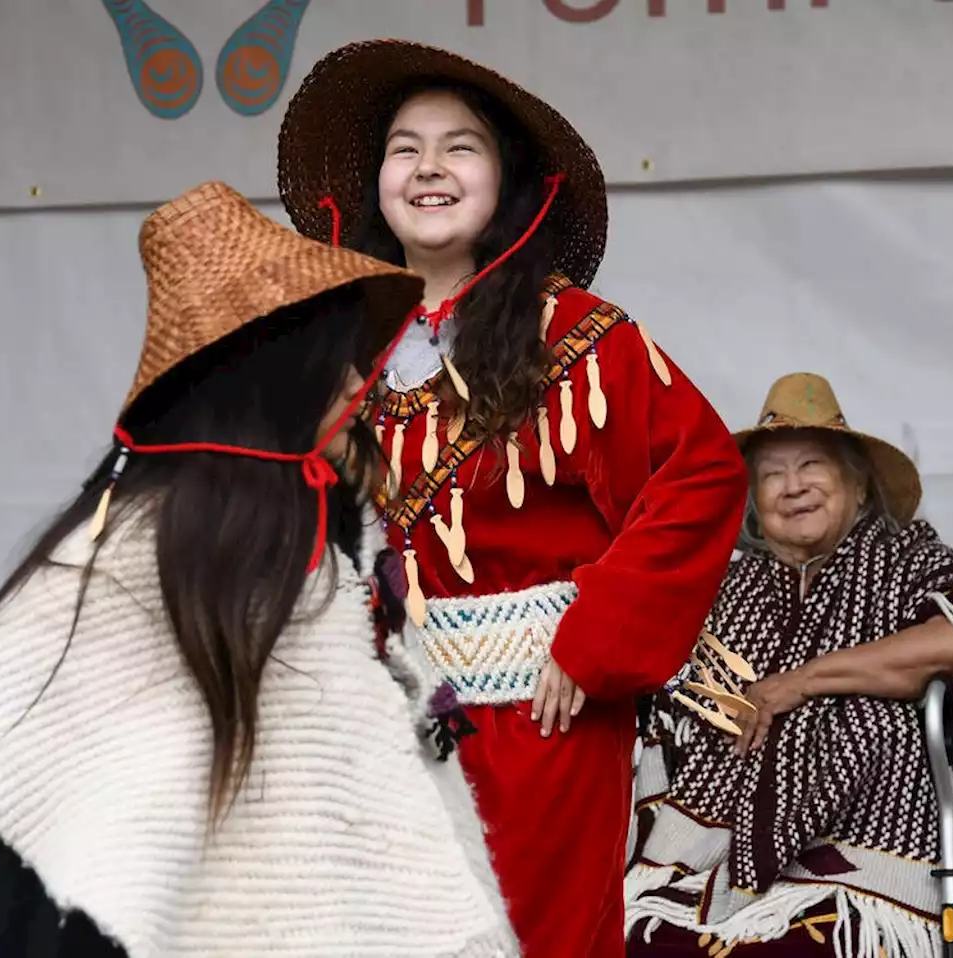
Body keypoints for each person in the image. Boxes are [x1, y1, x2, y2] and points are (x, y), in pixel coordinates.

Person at [0, 181, 518, 958]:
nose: (354, 384)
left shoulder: (316, 565)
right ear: (266, 388)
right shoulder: (109, 582)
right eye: (330, 362)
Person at [277, 39, 748, 957]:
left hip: (540, 717)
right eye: (404, 148)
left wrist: (597, 641)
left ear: (508, 182)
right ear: (377, 182)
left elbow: (700, 476)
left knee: (534, 939)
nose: (428, 168)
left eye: (461, 146)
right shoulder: (334, 347)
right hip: (376, 721)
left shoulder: (576, 336)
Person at [624, 373, 953, 958]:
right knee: (643, 941)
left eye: (812, 466)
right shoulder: (728, 587)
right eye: (771, 474)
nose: (792, 487)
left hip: (864, 864)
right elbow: (663, 684)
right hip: (707, 853)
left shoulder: (909, 559)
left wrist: (800, 682)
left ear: (858, 483)